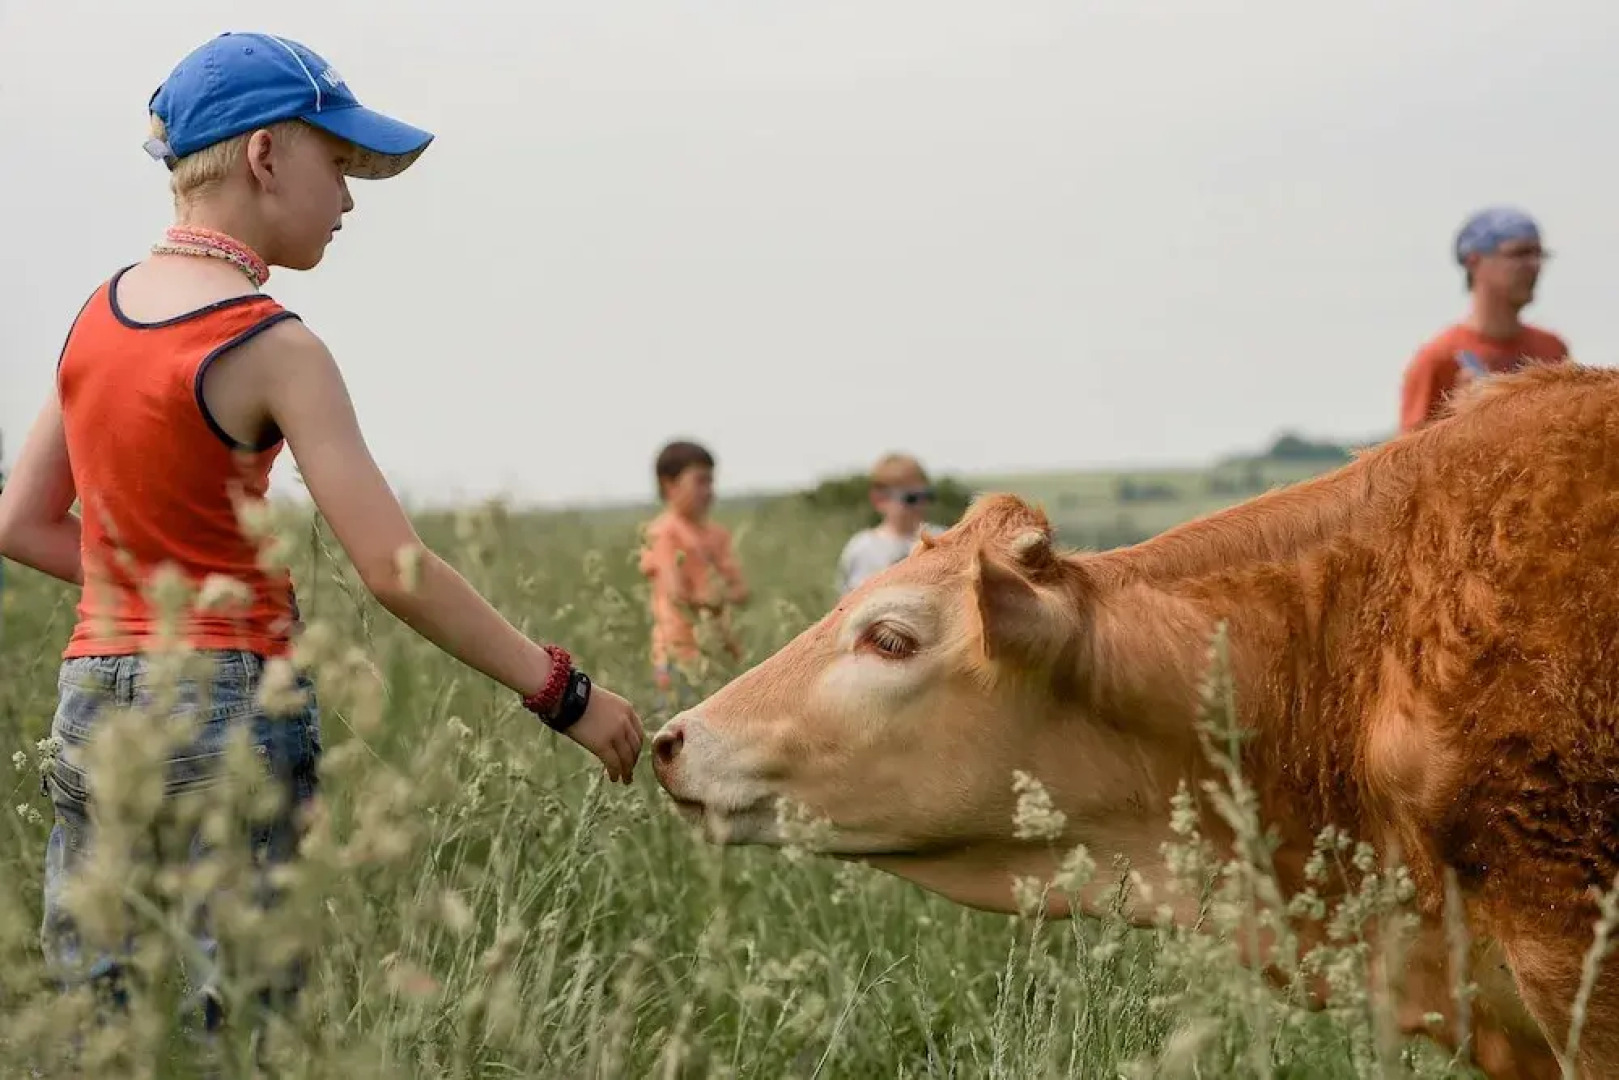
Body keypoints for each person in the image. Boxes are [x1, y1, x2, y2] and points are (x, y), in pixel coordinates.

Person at [0, 30, 643, 1037]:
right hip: (228, 708)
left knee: (94, 1019)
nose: (347, 199)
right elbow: (393, 568)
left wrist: (154, 589)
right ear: (264, 157)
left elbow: (22, 522)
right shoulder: (271, 344)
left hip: (95, 691)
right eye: (337, 165)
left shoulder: (95, 317)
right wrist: (561, 693)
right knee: (246, 1023)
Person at [1398, 206, 1570, 434]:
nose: (1534, 266)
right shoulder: (1438, 359)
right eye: (1519, 253)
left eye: (1538, 254)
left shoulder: (1552, 350)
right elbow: (1407, 461)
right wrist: (1460, 419)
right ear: (1474, 261)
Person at [637, 439, 748, 706]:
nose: (708, 491)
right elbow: (678, 593)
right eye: (700, 482)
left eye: (711, 482)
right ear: (669, 485)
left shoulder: (717, 535)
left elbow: (741, 591)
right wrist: (715, 595)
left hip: (721, 654)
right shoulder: (663, 533)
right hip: (680, 656)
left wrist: (712, 595)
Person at [835, 452, 946, 595]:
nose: (920, 504)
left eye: (926, 496)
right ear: (879, 500)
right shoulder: (863, 549)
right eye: (911, 498)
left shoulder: (941, 539)